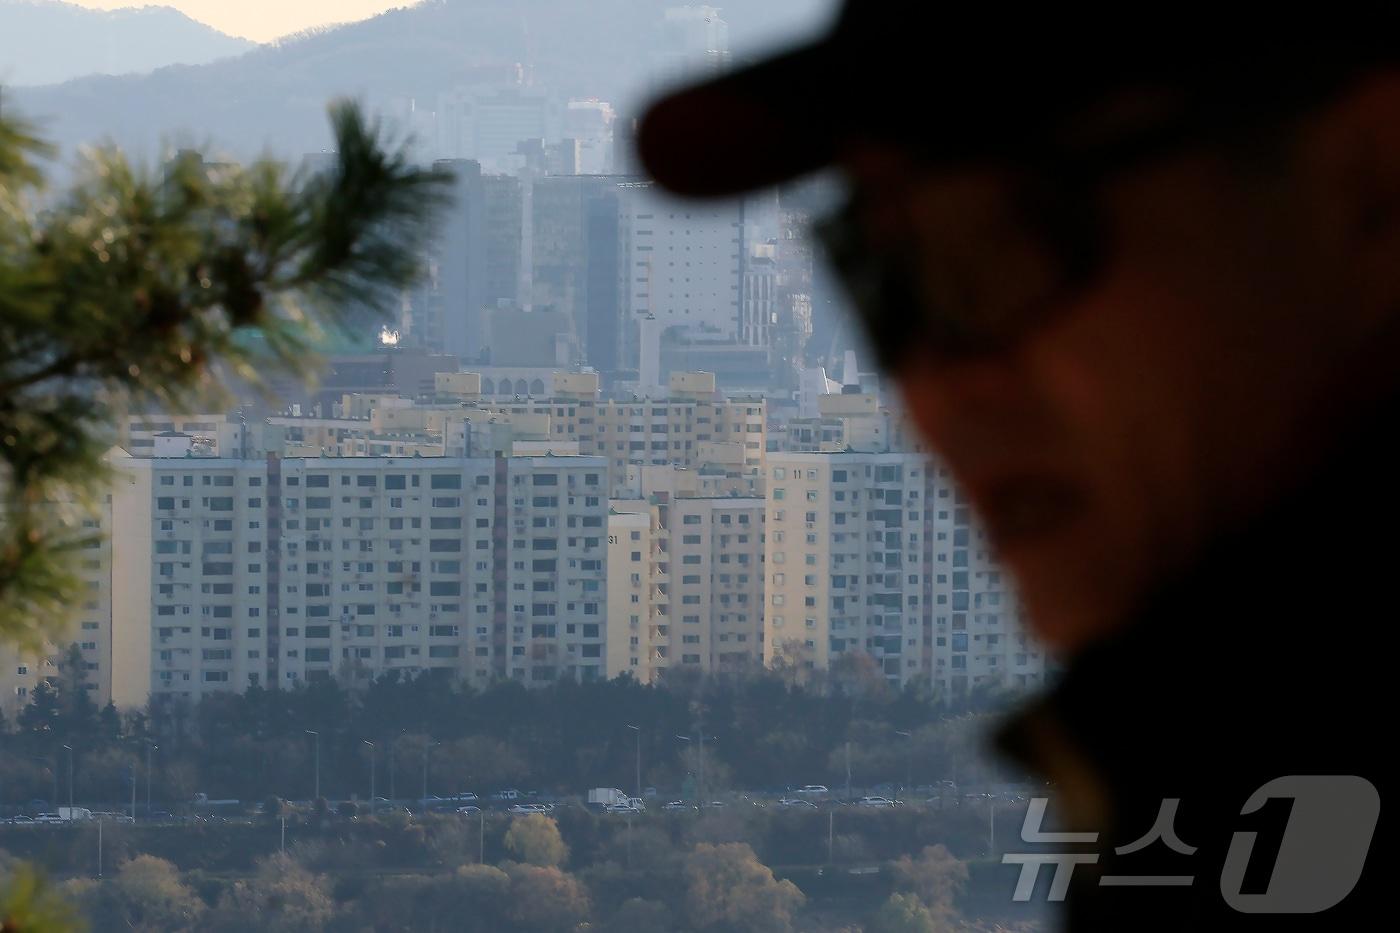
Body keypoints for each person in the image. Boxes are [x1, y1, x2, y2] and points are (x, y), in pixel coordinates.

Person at [637, 7, 1390, 929]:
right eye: (884, 278)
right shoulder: (1217, 767)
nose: (938, 387)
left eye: (1004, 248)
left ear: (1372, 179)